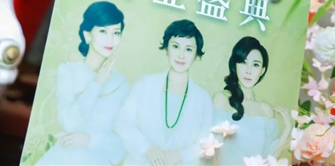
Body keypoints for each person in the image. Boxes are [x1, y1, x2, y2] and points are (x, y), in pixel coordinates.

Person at [36, 1, 129, 165]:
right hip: (64, 159)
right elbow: (70, 123)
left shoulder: (121, 83)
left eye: (116, 32)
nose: (110, 39)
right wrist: (97, 83)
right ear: (87, 35)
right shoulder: (68, 71)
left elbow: (122, 144)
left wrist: (90, 139)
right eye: (103, 31)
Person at [114, 19, 213, 165]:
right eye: (176, 46)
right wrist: (147, 149)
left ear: (196, 55)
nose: (181, 55)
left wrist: (180, 155)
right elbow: (123, 122)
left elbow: (207, 143)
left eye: (188, 49)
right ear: (167, 48)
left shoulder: (203, 99)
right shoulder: (145, 84)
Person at [213, 36, 292, 165]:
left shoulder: (266, 109)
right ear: (235, 65)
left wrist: (287, 129)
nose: (248, 71)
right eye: (243, 62)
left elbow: (269, 161)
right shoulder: (222, 99)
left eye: (255, 65)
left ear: (262, 71)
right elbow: (211, 152)